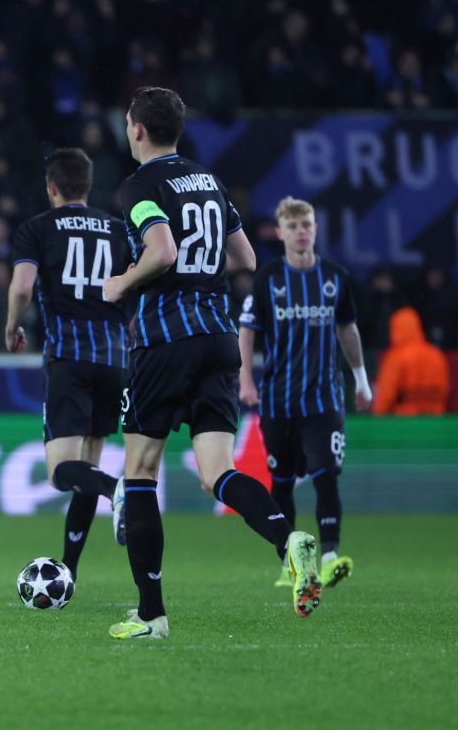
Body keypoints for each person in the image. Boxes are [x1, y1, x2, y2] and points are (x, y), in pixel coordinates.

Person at [102, 87, 321, 640]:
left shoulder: (138, 187)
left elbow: (162, 250)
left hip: (165, 340)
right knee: (217, 473)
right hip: (218, 337)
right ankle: (288, 540)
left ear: (136, 129)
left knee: (140, 472)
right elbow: (246, 257)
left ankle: (151, 616)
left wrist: (122, 282)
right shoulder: (208, 181)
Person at [4, 147, 132, 585]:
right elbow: (136, 286)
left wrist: (12, 326)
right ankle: (69, 570)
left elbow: (23, 289)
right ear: (88, 185)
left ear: (51, 186)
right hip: (113, 359)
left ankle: (117, 488)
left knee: (62, 472)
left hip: (69, 357)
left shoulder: (37, 228)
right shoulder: (118, 230)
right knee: (86, 471)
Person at [238, 196, 372, 590]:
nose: (301, 232)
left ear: (315, 229)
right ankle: (290, 562)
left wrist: (361, 379)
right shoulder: (267, 279)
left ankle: (329, 558)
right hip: (278, 400)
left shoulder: (335, 277)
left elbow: (347, 329)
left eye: (307, 225)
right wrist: (245, 379)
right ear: (280, 233)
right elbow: (247, 330)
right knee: (281, 480)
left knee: (326, 475)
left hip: (323, 397)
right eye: (293, 226)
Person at [372, 307, 451, 415]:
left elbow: (385, 395)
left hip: (404, 420)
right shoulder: (436, 355)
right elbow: (445, 390)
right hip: (434, 419)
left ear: (395, 329)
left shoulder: (396, 357)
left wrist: (378, 416)